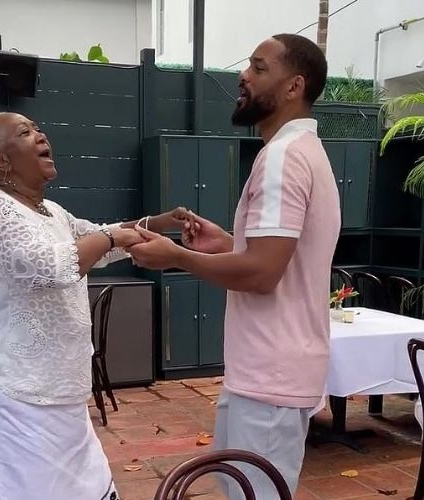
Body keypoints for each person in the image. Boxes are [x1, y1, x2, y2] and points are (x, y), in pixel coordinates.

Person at [129, 34, 341, 499]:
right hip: (271, 371)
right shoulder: (302, 153)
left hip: (270, 376)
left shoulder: (283, 158)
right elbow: (281, 259)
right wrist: (225, 244)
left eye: (259, 67)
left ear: (294, 86)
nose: (243, 76)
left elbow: (263, 274)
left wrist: (178, 257)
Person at [0, 111, 188, 500]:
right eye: (26, 132)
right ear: (0, 160)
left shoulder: (52, 212)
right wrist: (113, 238)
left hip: (60, 385)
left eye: (38, 127)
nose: (41, 134)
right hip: (15, 389)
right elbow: (48, 266)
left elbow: (95, 241)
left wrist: (157, 222)